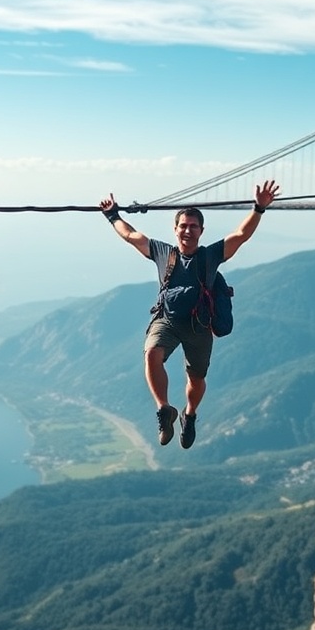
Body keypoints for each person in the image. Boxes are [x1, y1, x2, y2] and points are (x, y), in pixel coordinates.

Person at [99, 180, 280, 449]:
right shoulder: (163, 253)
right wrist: (113, 215)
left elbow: (241, 235)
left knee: (196, 379)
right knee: (151, 354)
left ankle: (189, 415)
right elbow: (131, 235)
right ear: (175, 229)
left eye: (193, 226)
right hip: (167, 320)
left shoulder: (210, 256)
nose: (187, 230)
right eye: (183, 226)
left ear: (201, 230)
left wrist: (259, 208)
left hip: (199, 325)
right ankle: (165, 410)